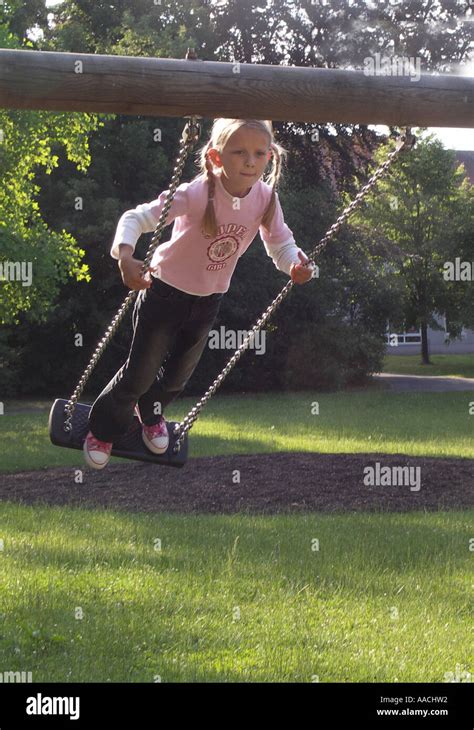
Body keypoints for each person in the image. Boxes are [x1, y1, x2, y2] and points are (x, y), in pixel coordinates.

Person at [83, 118, 315, 469]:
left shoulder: (266, 200)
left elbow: (281, 242)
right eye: (239, 152)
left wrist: (295, 266)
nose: (250, 161)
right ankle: (102, 429)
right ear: (217, 157)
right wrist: (126, 256)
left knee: (177, 377)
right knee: (140, 373)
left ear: (269, 157)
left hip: (208, 300)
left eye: (258, 153)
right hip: (163, 292)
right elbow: (137, 217)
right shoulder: (196, 193)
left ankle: (151, 415)